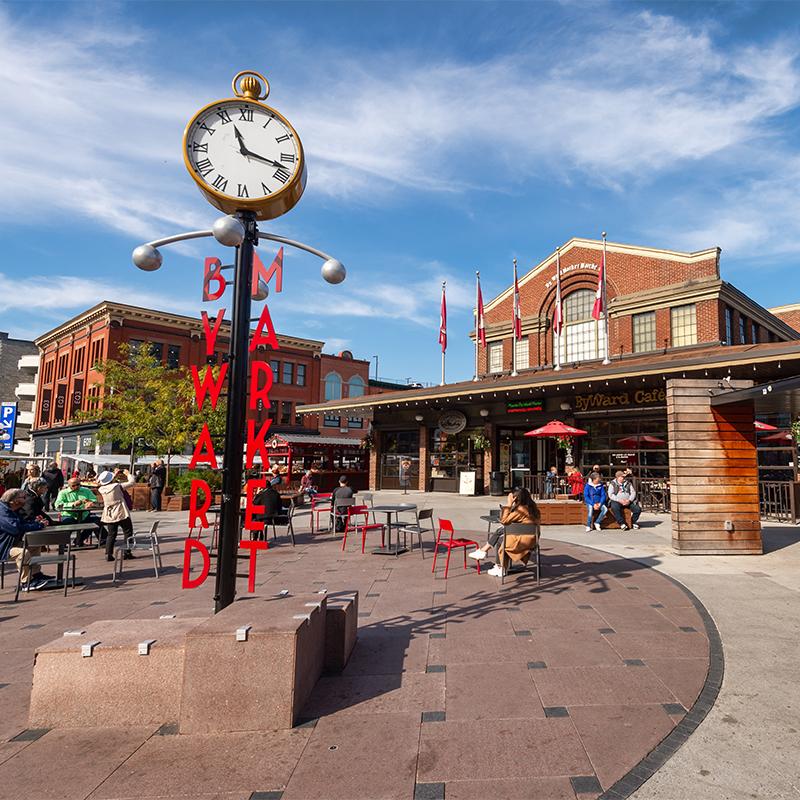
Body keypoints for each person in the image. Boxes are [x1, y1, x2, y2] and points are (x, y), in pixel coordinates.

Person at [469, 487, 540, 577]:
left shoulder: (521, 510)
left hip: (523, 541)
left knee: (502, 535)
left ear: (516, 498)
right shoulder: (533, 508)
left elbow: (504, 521)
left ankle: (499, 566)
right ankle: (492, 559)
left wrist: (509, 504)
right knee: (501, 532)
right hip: (533, 539)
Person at [0, 488, 52, 590]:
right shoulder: (3, 512)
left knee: (35, 545)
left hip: (10, 543)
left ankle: (36, 574)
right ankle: (27, 582)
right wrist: (38, 526)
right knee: (22, 553)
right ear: (14, 500)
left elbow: (22, 523)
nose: (26, 499)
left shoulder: (12, 509)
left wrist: (37, 523)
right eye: (24, 497)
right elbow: (15, 528)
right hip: (3, 546)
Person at [97, 469, 136, 561]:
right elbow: (132, 482)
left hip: (109, 513)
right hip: (120, 511)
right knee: (128, 532)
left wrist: (114, 475)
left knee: (111, 534)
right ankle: (127, 552)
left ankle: (108, 553)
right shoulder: (117, 486)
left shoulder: (101, 489)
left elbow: (102, 482)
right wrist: (128, 474)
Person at [55, 476, 101, 545]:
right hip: (69, 515)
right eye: (73, 485)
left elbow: (94, 499)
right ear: (69, 485)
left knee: (96, 521)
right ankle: (62, 544)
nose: (76, 487)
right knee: (67, 524)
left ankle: (80, 540)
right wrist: (72, 504)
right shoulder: (63, 493)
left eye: (78, 485)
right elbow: (58, 505)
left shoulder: (86, 491)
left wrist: (90, 502)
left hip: (84, 514)